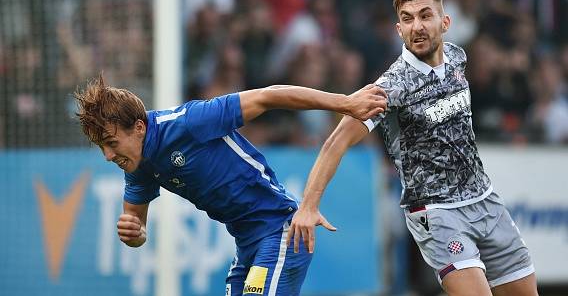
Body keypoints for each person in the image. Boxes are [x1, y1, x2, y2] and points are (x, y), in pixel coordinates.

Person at [288, 0, 538, 296]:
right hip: (436, 213)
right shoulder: (392, 86)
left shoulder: (458, 57)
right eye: (407, 19)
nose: (416, 26)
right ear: (399, 29)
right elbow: (335, 141)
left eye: (425, 15)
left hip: (485, 201)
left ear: (445, 23)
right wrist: (308, 205)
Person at [74, 76, 386, 296]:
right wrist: (136, 235)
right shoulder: (137, 164)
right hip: (247, 244)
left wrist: (345, 103)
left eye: (111, 143)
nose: (107, 155)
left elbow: (268, 96)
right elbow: (136, 227)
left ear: (139, 128)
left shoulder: (189, 122)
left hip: (281, 231)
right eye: (102, 147)